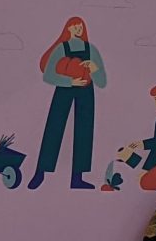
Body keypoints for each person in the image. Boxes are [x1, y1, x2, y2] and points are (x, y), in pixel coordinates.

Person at [28, 17, 106, 190]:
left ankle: (78, 178)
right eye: (74, 26)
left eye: (80, 26)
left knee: (84, 130)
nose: (78, 28)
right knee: (54, 127)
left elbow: (102, 82)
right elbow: (48, 76)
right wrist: (70, 82)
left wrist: (95, 69)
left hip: (86, 90)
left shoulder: (91, 49)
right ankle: (40, 172)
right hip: (64, 89)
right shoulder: (61, 49)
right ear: (68, 28)